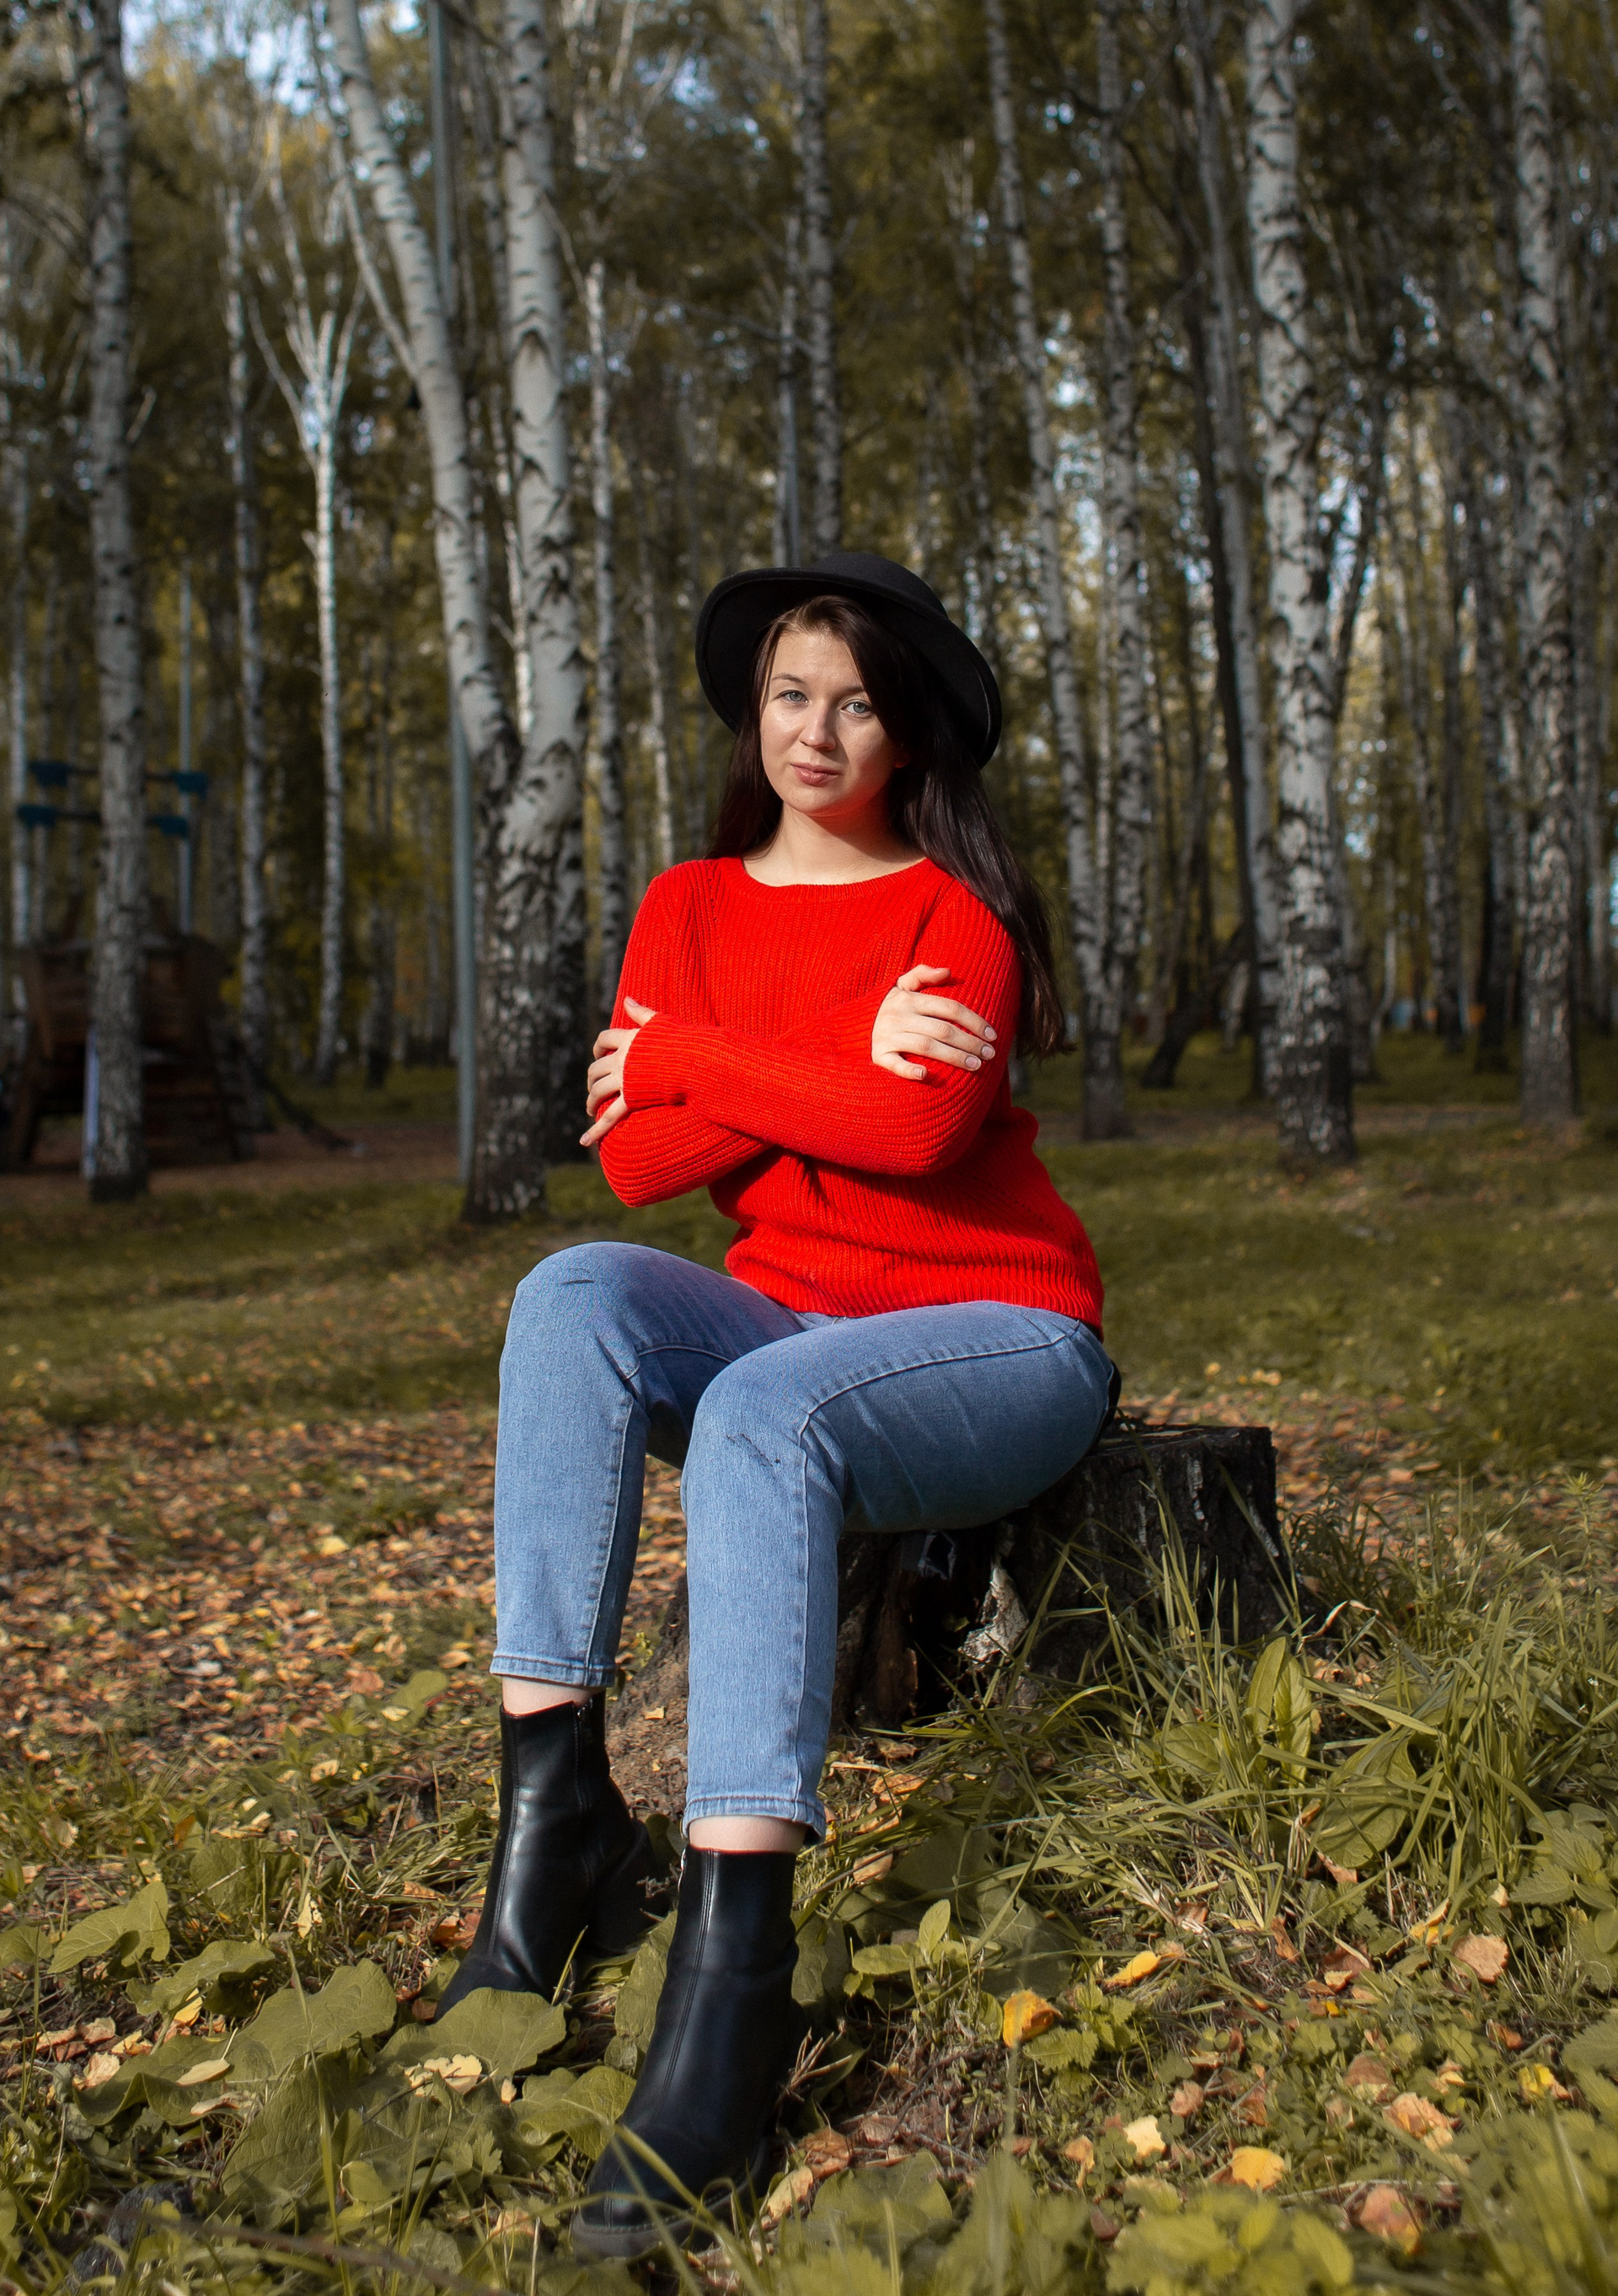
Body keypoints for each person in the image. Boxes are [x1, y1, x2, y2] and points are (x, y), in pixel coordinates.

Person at [440, 552, 1113, 2261]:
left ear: (907, 735)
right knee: (572, 1292)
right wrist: (827, 1054)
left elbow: (915, 1133)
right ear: (755, 711)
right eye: (791, 695)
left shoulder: (955, 915)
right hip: (789, 1310)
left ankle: (734, 1984)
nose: (817, 731)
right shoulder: (686, 904)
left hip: (999, 1336)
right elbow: (636, 1160)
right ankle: (555, 1818)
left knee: (762, 1412)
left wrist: (695, 1052)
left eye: (857, 703)